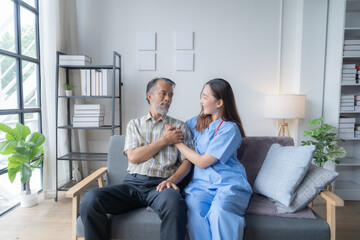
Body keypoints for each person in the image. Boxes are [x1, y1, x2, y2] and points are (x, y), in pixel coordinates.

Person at [80, 77, 194, 240]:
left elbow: (187, 162)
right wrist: (164, 141)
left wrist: (173, 180)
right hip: (133, 185)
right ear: (149, 96)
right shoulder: (134, 125)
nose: (168, 98)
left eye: (171, 95)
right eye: (163, 93)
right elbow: (133, 157)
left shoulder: (180, 127)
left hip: (161, 186)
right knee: (90, 199)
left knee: (175, 204)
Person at [172, 78, 253, 240]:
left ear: (219, 103)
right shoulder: (196, 122)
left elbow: (203, 162)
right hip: (200, 188)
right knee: (195, 214)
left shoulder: (230, 129)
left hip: (228, 185)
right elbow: (177, 127)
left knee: (219, 213)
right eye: (201, 96)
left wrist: (177, 143)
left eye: (205, 96)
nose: (200, 101)